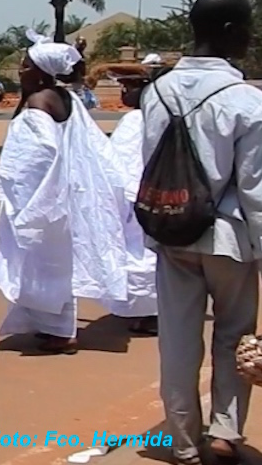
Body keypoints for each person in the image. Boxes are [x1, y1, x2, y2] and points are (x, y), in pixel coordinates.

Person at [140, 0, 262, 465]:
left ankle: (183, 442)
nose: (250, 37)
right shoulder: (245, 98)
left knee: (179, 340)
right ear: (229, 32)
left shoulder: (156, 91)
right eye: (246, 28)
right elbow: (259, 186)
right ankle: (225, 434)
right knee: (232, 338)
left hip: (172, 233)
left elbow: (150, 165)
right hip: (229, 237)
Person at [0, 33, 129, 354]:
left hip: (44, 198)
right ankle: (47, 325)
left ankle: (61, 332)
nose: (21, 71)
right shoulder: (65, 98)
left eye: (26, 66)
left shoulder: (39, 103)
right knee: (53, 262)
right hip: (63, 194)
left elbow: (35, 159)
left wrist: (23, 201)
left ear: (40, 72)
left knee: (46, 263)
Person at [100, 64, 159, 335]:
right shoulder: (133, 119)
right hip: (131, 197)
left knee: (144, 253)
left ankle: (152, 312)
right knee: (134, 251)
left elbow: (132, 163)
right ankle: (141, 308)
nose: (124, 93)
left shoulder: (141, 120)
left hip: (140, 197)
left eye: (129, 87)